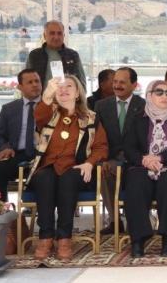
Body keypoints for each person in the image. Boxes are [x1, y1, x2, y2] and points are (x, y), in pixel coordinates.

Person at [28, 75, 108, 260]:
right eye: (60, 87)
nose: (63, 90)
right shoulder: (49, 113)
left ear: (78, 92)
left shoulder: (90, 118)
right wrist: (48, 92)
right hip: (48, 166)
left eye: (69, 86)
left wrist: (89, 163)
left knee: (68, 179)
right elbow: (38, 115)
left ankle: (64, 238)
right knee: (45, 178)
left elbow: (101, 147)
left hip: (76, 168)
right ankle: (46, 238)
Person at [122, 80, 167, 258]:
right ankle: (138, 240)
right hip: (142, 164)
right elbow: (129, 147)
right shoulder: (137, 118)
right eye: (159, 92)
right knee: (136, 185)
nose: (164, 96)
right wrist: (145, 160)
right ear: (149, 95)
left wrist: (160, 158)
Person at [94, 67, 145, 233]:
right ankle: (115, 220)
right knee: (103, 171)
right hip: (112, 157)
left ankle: (135, 221)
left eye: (122, 82)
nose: (117, 86)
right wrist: (102, 159)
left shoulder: (143, 105)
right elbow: (96, 136)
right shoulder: (101, 105)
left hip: (137, 158)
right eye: (115, 82)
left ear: (134, 85)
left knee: (137, 176)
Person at [0, 70, 42, 203]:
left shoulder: (50, 107)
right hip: (17, 154)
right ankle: (3, 209)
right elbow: (0, 134)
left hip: (42, 155)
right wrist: (5, 147)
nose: (35, 85)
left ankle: (35, 207)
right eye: (30, 82)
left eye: (37, 81)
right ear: (20, 87)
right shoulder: (9, 109)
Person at [26, 20, 87, 90]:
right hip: (42, 96)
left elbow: (81, 82)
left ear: (64, 36)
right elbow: (27, 81)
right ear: (45, 36)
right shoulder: (35, 55)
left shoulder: (72, 55)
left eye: (59, 33)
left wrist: (81, 96)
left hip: (67, 96)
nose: (56, 37)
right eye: (52, 33)